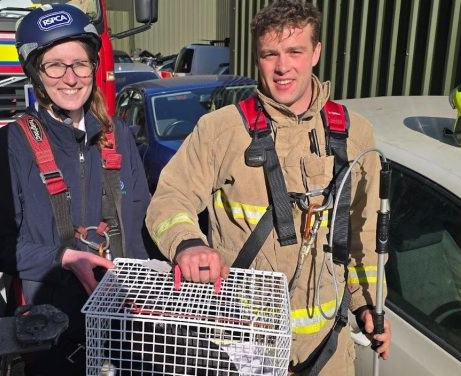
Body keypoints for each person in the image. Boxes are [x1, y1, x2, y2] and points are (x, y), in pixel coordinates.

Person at [146, 1, 390, 374]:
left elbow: (365, 233)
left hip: (328, 349)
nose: (282, 67)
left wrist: (367, 304)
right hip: (243, 345)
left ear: (316, 53)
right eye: (269, 54)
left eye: (295, 51)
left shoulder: (354, 134)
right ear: (257, 58)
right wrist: (187, 243)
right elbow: (170, 198)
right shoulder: (220, 131)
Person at [0, 3, 152, 375]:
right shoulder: (10, 145)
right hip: (52, 336)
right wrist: (65, 258)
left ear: (94, 66)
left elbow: (142, 227)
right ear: (36, 74)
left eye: (80, 63)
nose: (70, 78)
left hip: (125, 329)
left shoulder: (118, 137)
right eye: (55, 65)